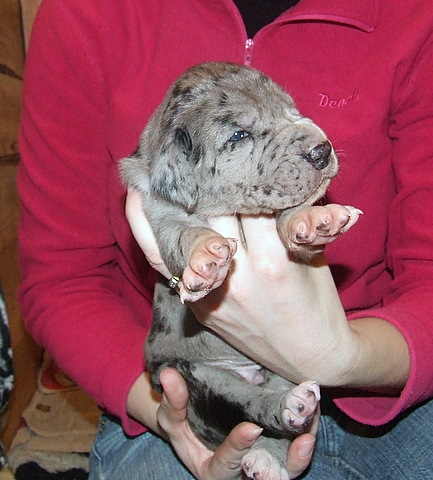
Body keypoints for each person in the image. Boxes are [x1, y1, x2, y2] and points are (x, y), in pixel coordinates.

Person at [17, 0, 433, 478]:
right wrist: (172, 414)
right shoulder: (86, 14)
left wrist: (342, 356)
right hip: (180, 385)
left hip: (382, 375)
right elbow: (63, 278)